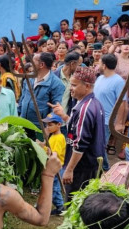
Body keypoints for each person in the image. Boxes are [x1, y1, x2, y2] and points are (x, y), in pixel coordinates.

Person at [50, 66, 105, 200]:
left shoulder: (85, 109)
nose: (70, 88)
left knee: (75, 203)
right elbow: (77, 129)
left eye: (74, 85)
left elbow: (80, 144)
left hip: (82, 168)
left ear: (87, 86)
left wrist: (69, 170)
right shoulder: (92, 103)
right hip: (89, 165)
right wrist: (63, 116)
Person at [18, 52, 65, 139]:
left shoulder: (56, 84)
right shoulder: (29, 78)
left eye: (33, 60)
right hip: (23, 124)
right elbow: (22, 98)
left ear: (41, 64)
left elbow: (55, 109)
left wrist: (48, 128)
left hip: (39, 129)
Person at [93, 54, 126, 170]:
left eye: (99, 63)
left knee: (100, 148)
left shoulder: (118, 81)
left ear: (104, 65)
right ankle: (104, 169)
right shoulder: (100, 78)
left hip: (106, 121)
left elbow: (122, 103)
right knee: (96, 148)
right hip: (94, 117)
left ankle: (106, 170)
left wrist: (119, 123)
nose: (98, 66)